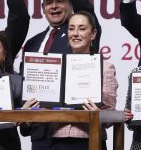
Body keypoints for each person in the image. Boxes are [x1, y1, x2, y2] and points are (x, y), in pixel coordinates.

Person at [20, 0, 102, 150]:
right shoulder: (32, 43)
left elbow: (85, 7)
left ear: (71, 5)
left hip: (74, 134)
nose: (54, 6)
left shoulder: (79, 34)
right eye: (49, 2)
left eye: (60, 0)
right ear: (42, 7)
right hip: (40, 135)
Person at [47, 11, 117, 150]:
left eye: (82, 28)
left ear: (93, 34)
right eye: (71, 28)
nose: (75, 33)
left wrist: (98, 114)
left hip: (90, 140)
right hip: (58, 140)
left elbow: (110, 117)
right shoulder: (55, 67)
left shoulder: (105, 68)